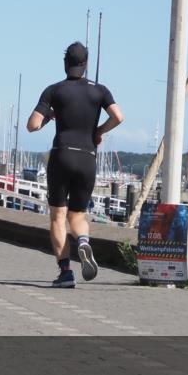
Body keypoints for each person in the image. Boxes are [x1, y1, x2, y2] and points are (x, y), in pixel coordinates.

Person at [26, 42, 124, 288]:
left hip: (62, 155)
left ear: (65, 63)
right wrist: (99, 131)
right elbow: (118, 116)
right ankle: (82, 240)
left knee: (58, 216)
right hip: (87, 157)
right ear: (86, 64)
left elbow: (32, 125)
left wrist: (49, 116)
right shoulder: (100, 90)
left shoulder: (54, 90)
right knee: (78, 214)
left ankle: (66, 272)